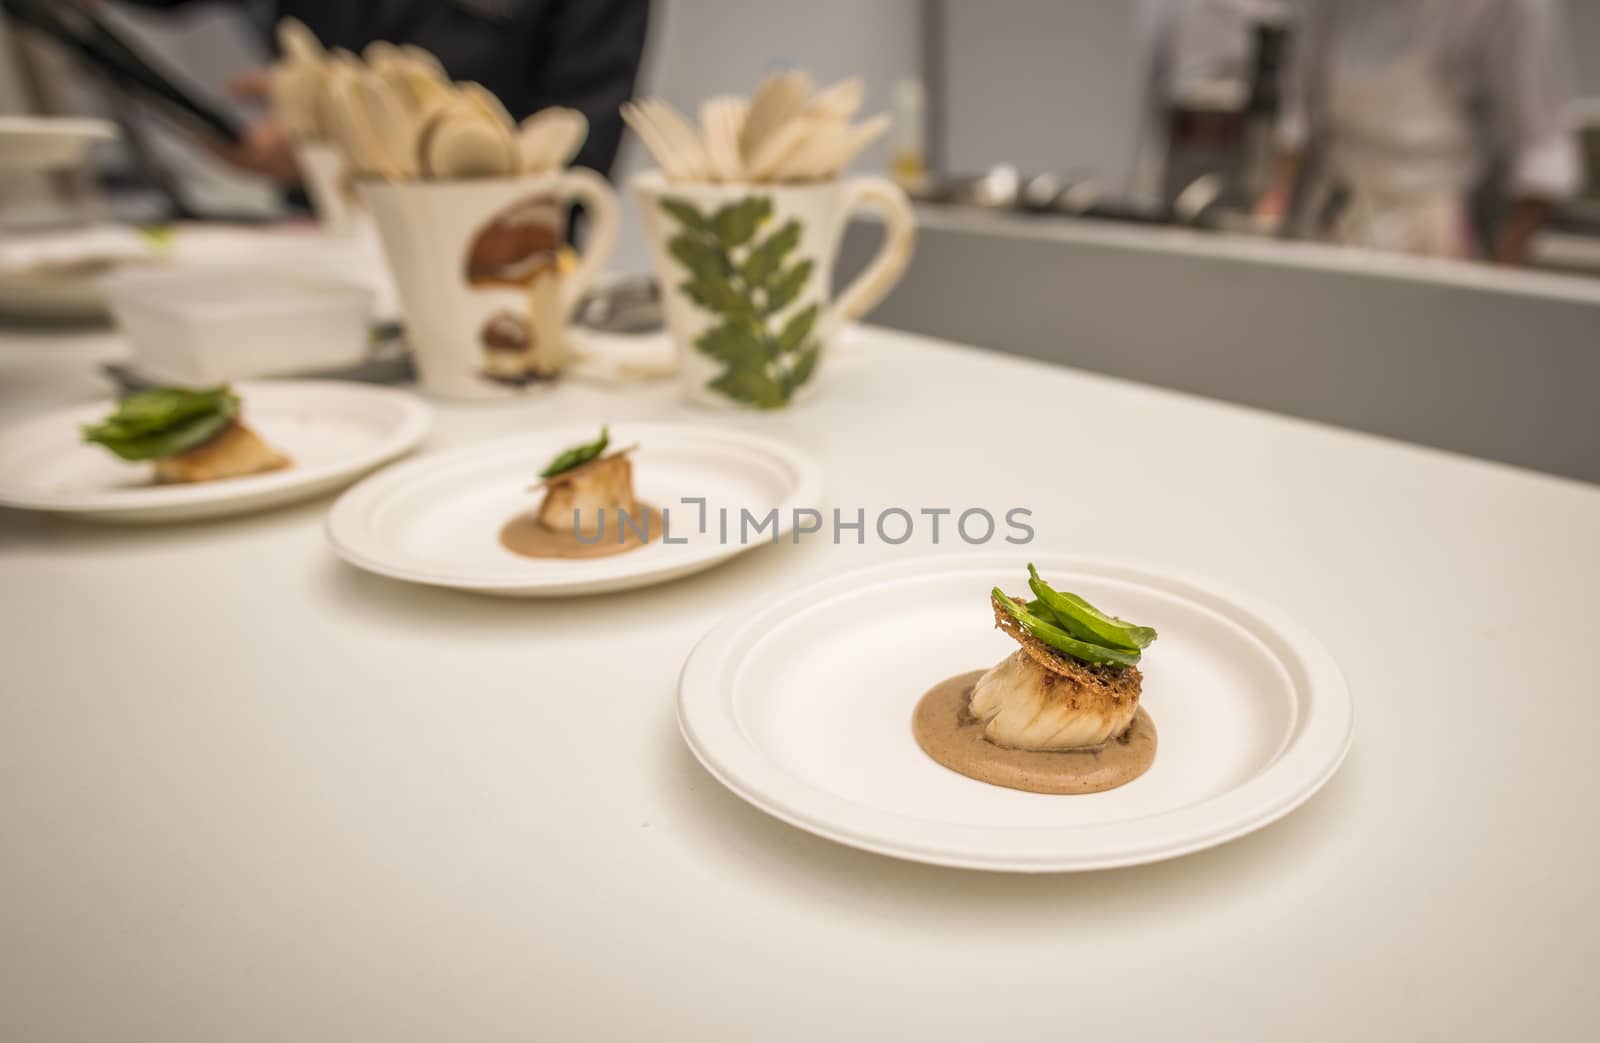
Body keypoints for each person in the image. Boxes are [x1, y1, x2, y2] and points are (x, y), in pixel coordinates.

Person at [112, 0, 652, 185]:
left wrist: (351, 151)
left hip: (509, 262)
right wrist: (311, 118)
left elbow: (584, 135)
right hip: (327, 242)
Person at [1256, 0, 1581, 264]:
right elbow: (1298, 123)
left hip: (1436, 236)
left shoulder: (1511, 8)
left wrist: (1497, 280)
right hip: (1333, 221)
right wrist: (1272, 216)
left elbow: (1545, 154)